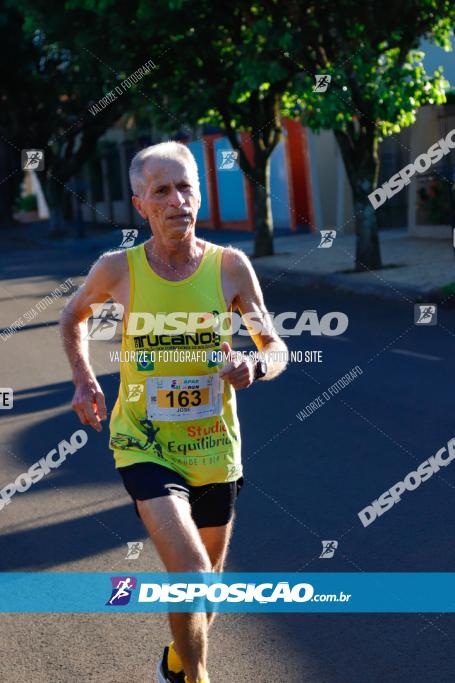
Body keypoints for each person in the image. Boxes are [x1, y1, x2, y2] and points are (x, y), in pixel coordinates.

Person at [60, 141, 288, 683]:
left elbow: (273, 345)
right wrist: (84, 378)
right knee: (188, 571)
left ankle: (175, 662)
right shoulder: (117, 269)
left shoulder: (231, 267)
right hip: (143, 443)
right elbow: (73, 317)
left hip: (214, 449)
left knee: (207, 586)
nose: (175, 200)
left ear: (199, 195)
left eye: (185, 187)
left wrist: (256, 367)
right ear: (140, 204)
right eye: (160, 190)